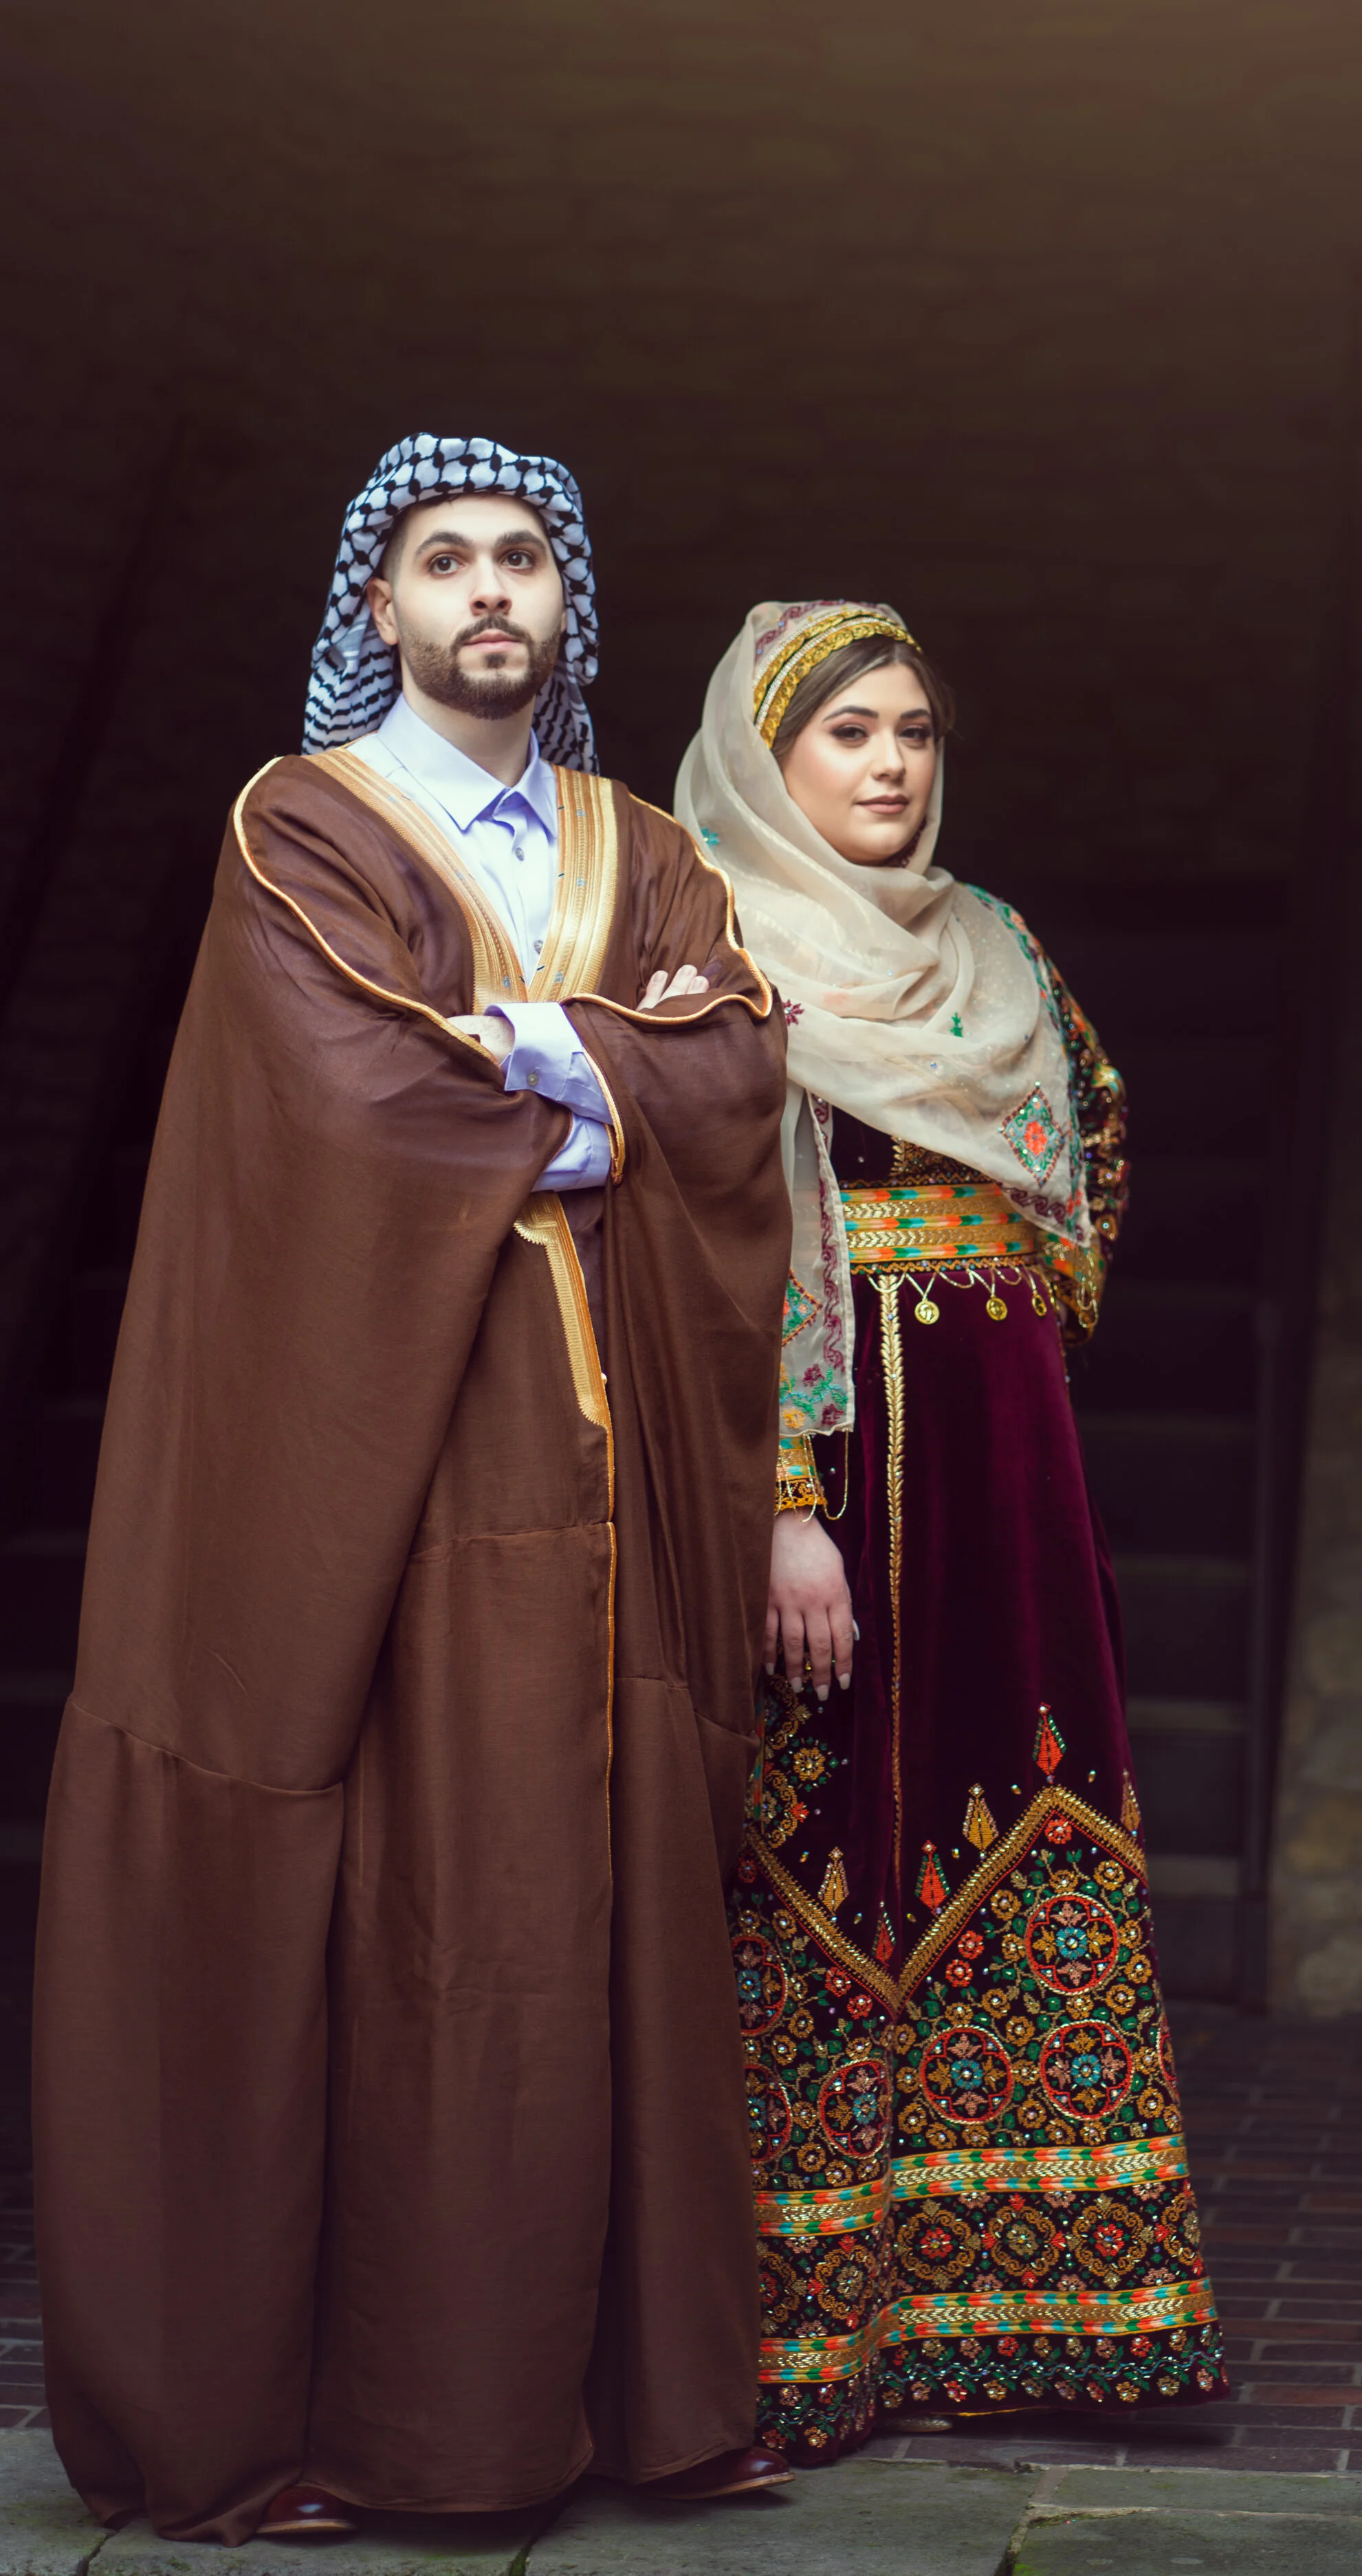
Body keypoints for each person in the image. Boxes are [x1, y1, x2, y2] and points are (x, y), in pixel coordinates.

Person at [33, 438, 795, 2543]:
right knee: (429, 1905)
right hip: (395, 1454)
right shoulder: (301, 823)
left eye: (523, 558)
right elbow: (352, 1085)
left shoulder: (636, 843)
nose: (487, 591)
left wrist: (543, 1049)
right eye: (444, 559)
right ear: (376, 603)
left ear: (565, 603)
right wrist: (592, 1066)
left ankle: (642, 2401)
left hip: (617, 1460)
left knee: (608, 1891)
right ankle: (383, 2422)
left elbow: (735, 1057)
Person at [675, 600, 1227, 2461]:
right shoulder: (710, 951)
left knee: (1023, 1805)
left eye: (913, 728)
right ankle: (810, 2329)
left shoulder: (993, 947)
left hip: (1003, 1467)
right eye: (845, 733)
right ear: (770, 756)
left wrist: (1008, 1348)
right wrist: (777, 1505)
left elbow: (1097, 1153)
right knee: (818, 1834)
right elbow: (699, 1245)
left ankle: (1046, 2305)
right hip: (824, 1473)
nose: (891, 763)